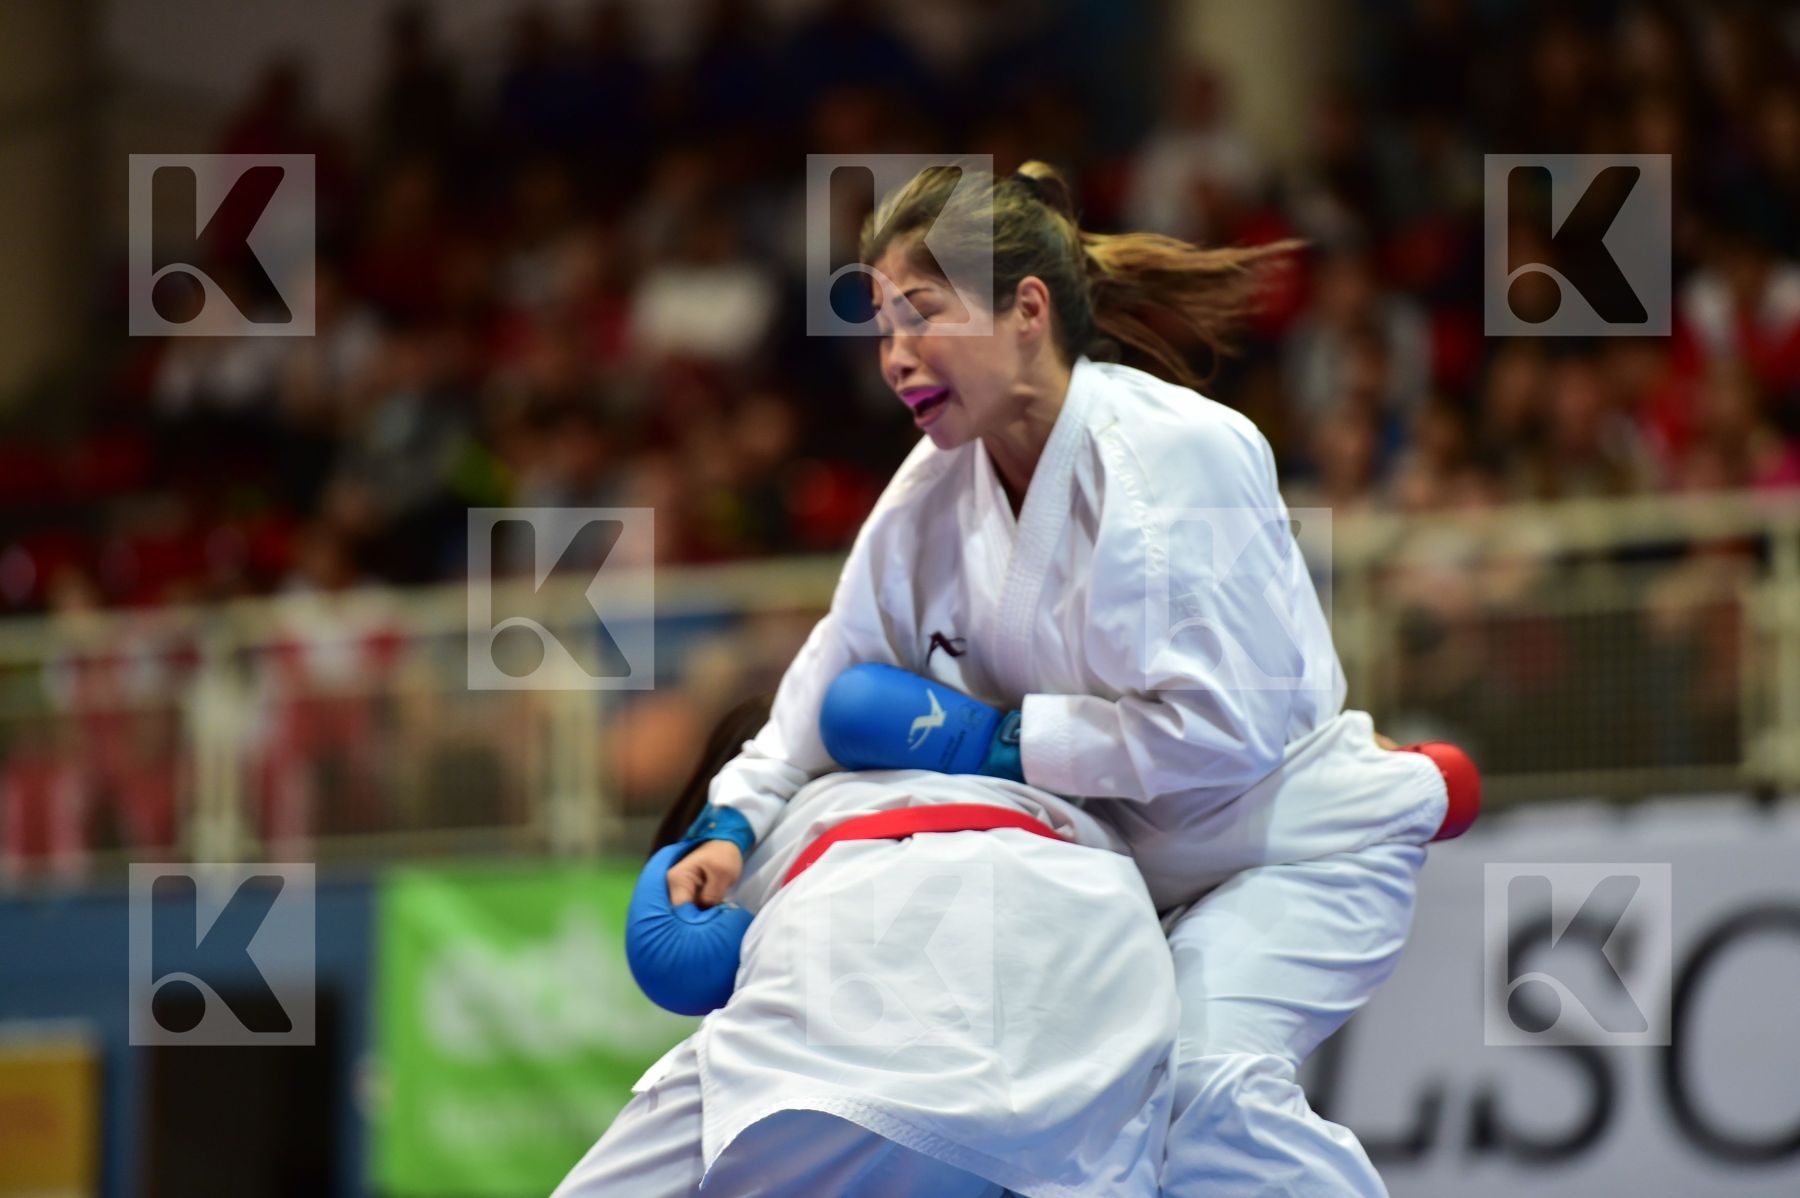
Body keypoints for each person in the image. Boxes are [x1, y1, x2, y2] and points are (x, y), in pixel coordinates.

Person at [666, 162, 1454, 1197]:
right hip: (1111, 883)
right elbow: (831, 680)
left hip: (1291, 847)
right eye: (879, 328)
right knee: (1073, 1148)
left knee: (1204, 1091)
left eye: (922, 314)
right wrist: (730, 823)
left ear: (1027, 310)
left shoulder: (1185, 456)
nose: (895, 358)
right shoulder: (929, 494)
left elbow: (1230, 731)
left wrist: (1000, 741)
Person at [551, 695, 1180, 1196]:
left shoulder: (749, 839)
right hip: (1102, 961)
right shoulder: (994, 771)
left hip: (867, 965)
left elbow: (691, 966)